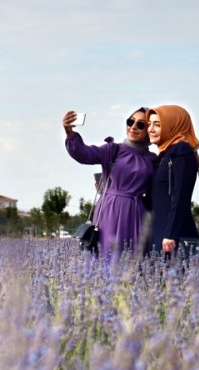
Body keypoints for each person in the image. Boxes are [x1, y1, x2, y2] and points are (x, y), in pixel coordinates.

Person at [63, 108, 157, 258]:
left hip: (136, 212)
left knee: (132, 258)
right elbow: (84, 154)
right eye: (130, 122)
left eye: (140, 125)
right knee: (106, 254)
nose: (133, 127)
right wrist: (70, 133)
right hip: (110, 209)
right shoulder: (113, 149)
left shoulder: (152, 159)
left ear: (148, 130)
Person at [145, 105, 199, 258]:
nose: (151, 129)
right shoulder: (164, 155)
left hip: (173, 238)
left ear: (173, 125)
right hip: (159, 233)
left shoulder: (181, 151)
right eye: (149, 124)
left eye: (157, 124)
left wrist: (170, 234)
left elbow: (180, 196)